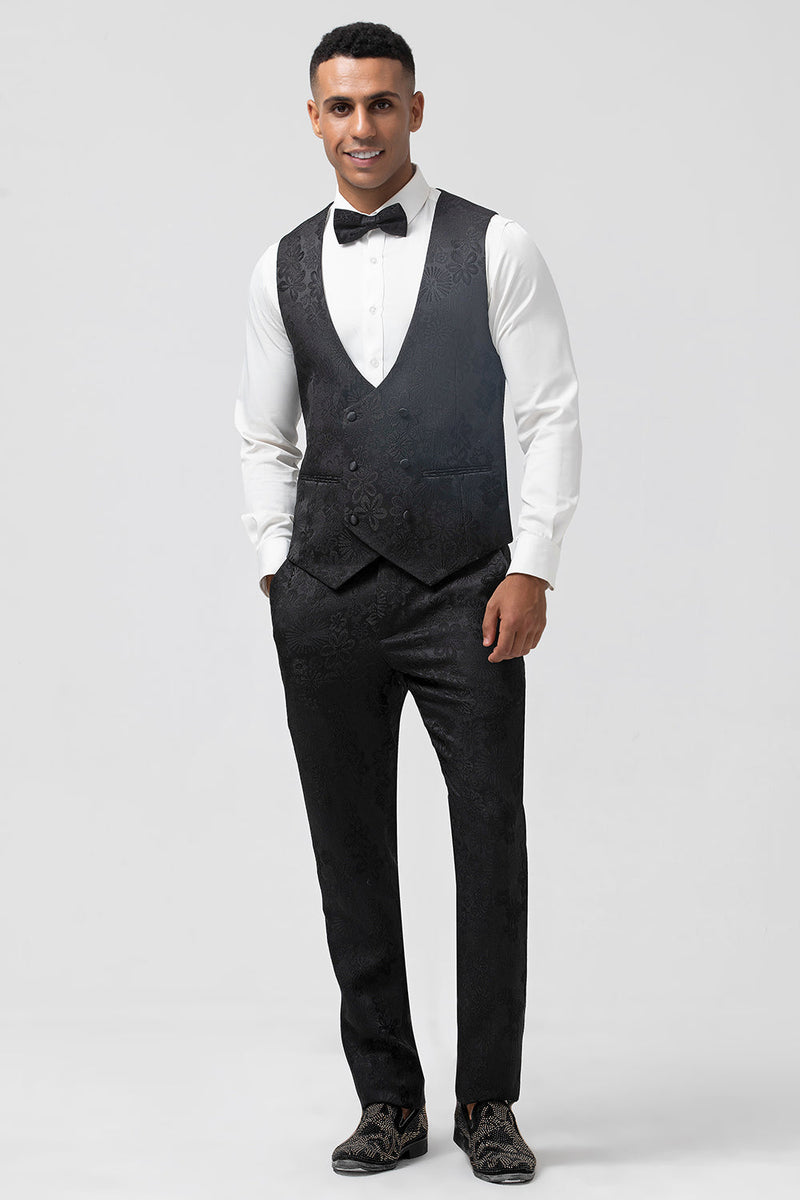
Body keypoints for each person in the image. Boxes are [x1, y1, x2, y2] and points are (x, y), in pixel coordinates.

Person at [234, 20, 581, 1185]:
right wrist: (277, 563)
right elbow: (261, 433)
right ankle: (386, 1099)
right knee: (348, 847)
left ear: (415, 111)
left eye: (381, 103)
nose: (361, 126)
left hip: (465, 595)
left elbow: (548, 410)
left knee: (489, 839)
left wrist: (532, 564)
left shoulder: (497, 246)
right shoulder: (278, 266)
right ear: (314, 118)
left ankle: (487, 1101)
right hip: (324, 600)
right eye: (340, 106)